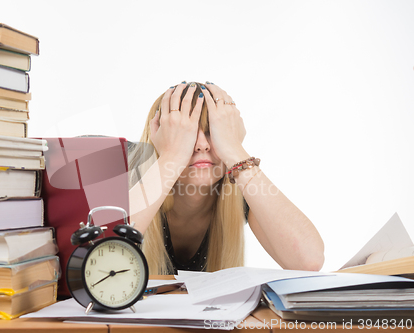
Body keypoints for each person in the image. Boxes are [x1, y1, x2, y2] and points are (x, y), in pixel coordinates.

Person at [128, 81, 324, 275]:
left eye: (213, 132)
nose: (202, 145)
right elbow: (100, 245)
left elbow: (309, 261)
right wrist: (171, 156)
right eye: (185, 133)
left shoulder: (242, 186)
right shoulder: (118, 160)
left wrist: (234, 151)